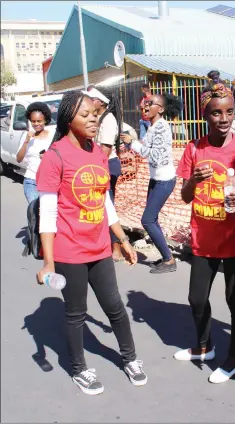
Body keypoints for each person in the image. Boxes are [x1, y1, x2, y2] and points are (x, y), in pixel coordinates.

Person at [36, 90, 147, 395]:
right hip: (69, 250)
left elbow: (104, 202)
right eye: (85, 115)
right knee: (76, 313)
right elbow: (47, 215)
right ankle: (79, 368)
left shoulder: (98, 153)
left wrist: (122, 238)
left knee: (115, 307)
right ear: (68, 118)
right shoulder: (55, 156)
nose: (93, 120)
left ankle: (130, 359)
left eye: (95, 114)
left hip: (99, 246)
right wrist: (48, 262)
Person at [174, 83, 235, 383]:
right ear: (205, 115)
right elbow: (184, 197)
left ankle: (233, 357)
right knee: (197, 299)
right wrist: (194, 180)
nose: (223, 118)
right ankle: (205, 346)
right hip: (203, 239)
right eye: (216, 113)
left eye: (229, 112)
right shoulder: (194, 148)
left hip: (234, 241)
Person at [120, 92, 183, 274]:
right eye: (145, 103)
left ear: (160, 109)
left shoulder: (162, 127)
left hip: (164, 181)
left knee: (147, 220)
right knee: (152, 219)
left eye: (150, 103)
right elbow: (147, 149)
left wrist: (133, 143)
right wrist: (131, 143)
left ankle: (169, 260)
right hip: (156, 179)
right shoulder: (153, 126)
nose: (145, 106)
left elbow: (154, 155)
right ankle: (166, 257)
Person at [87, 86, 137, 263]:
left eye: (91, 98)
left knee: (107, 207)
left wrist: (94, 171)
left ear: (100, 102)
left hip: (105, 165)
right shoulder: (99, 117)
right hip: (101, 164)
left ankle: (116, 249)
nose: (88, 101)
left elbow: (105, 150)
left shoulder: (108, 120)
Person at [16, 102, 54, 203]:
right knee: (35, 213)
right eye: (33, 121)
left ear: (45, 120)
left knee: (47, 213)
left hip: (49, 180)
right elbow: (18, 159)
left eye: (39, 121)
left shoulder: (53, 136)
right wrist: (26, 141)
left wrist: (48, 156)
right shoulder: (27, 136)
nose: (36, 124)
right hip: (31, 181)